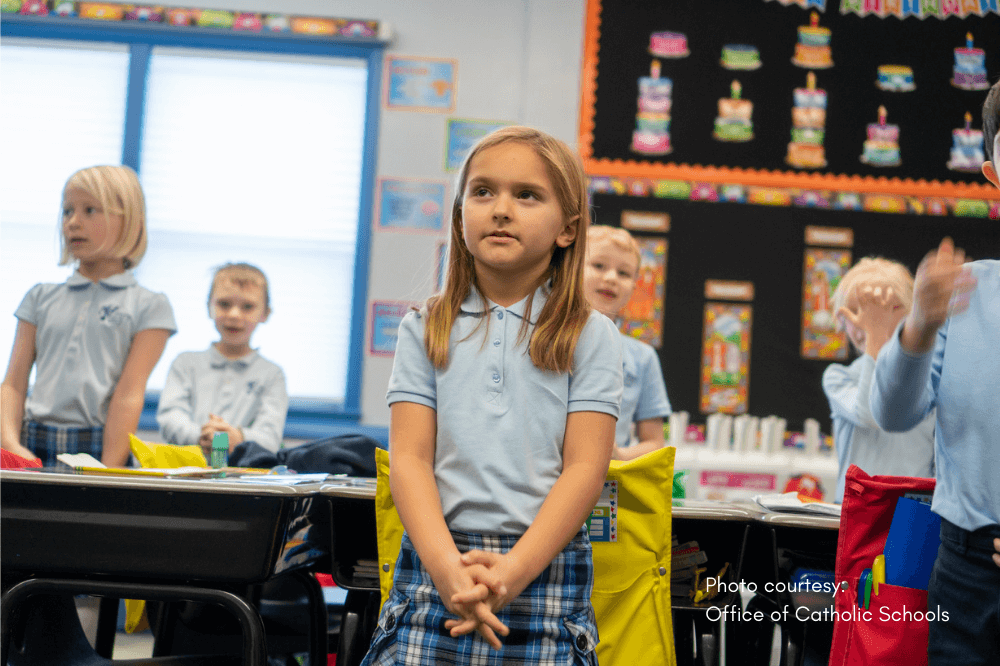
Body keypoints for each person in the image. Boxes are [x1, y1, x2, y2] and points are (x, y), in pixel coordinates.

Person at [363, 126, 623, 665]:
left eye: (527, 195)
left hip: (544, 565)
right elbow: (409, 460)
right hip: (437, 562)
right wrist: (448, 571)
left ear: (568, 229)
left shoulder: (591, 335)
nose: (501, 209)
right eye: (482, 192)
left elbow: (585, 469)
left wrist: (513, 571)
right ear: (461, 215)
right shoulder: (424, 327)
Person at [870, 80, 1000, 664]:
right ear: (993, 176)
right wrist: (919, 326)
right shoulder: (968, 291)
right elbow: (893, 413)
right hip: (967, 568)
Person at [0, 165, 176, 468]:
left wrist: (108, 473)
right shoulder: (39, 297)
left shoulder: (150, 306)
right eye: (67, 211)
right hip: (31, 445)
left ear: (128, 221)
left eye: (90, 210)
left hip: (100, 448)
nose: (73, 222)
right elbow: (13, 383)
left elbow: (128, 394)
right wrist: (12, 446)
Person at [821, 257, 935, 502]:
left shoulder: (930, 377)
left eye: (886, 309)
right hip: (857, 508)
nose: (867, 322)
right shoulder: (838, 376)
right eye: (855, 311)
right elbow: (872, 414)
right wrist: (877, 336)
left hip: (914, 507)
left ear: (909, 314)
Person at [157, 263, 288, 455]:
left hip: (243, 472)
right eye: (224, 304)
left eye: (248, 307)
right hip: (186, 470)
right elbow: (170, 418)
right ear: (208, 306)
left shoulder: (273, 375)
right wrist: (205, 436)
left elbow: (270, 437)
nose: (234, 314)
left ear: (265, 314)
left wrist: (236, 438)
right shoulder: (185, 363)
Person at [583, 224, 671, 461]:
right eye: (598, 265)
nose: (611, 278)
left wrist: (620, 455)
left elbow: (654, 442)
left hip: (606, 478)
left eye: (623, 273)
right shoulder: (546, 340)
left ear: (634, 285)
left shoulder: (643, 358)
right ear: (572, 270)